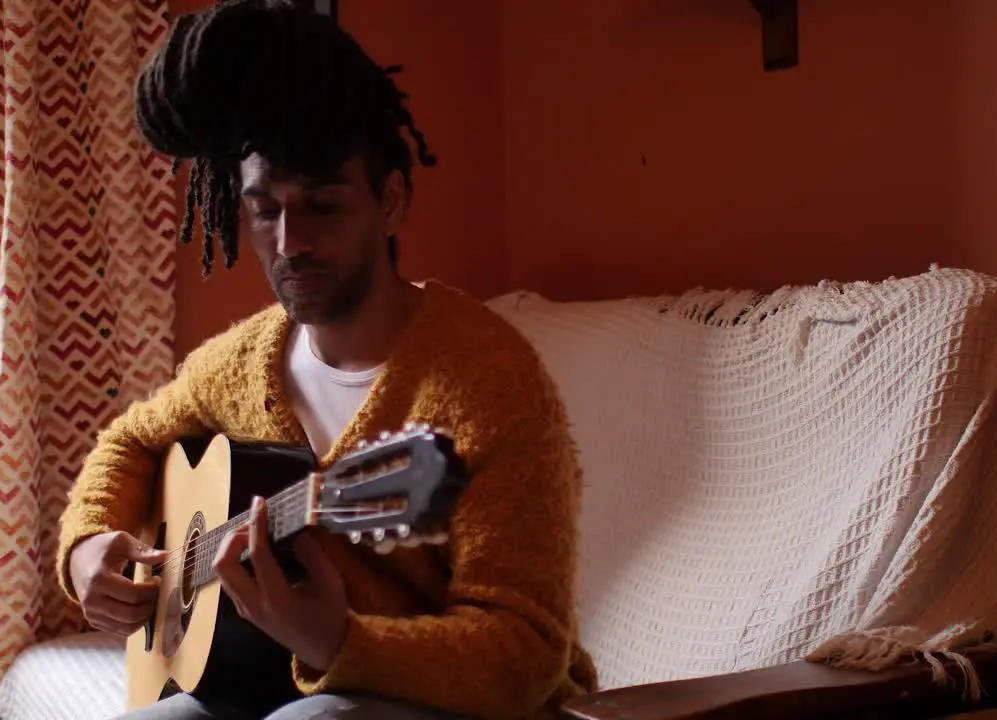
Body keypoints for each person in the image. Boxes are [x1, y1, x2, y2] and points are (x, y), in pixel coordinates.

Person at [55, 1, 596, 718]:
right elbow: (133, 438)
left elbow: (527, 652)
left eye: (323, 205)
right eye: (265, 210)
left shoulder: (489, 382)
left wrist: (343, 642)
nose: (290, 241)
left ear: (391, 200)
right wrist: (87, 547)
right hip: (265, 686)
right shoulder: (243, 362)